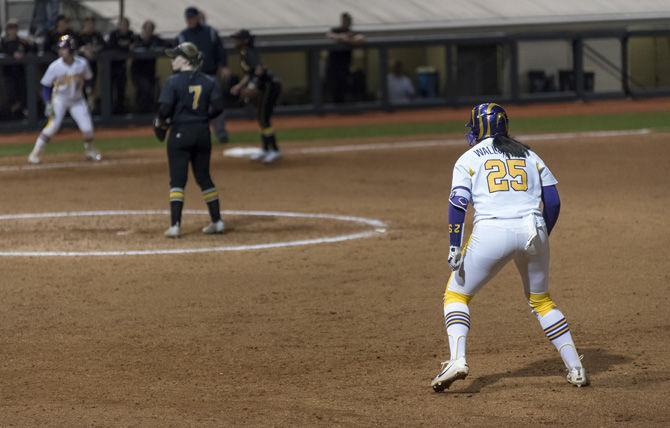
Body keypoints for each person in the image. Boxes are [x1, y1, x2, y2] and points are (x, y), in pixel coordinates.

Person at [431, 103, 588, 392]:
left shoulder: (468, 158)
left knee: (456, 294)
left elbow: (458, 203)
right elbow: (553, 202)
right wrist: (543, 236)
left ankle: (457, 360)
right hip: (533, 228)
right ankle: (575, 368)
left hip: (492, 231)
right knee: (542, 302)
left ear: (477, 129)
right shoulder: (529, 154)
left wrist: (455, 244)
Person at [154, 42, 224, 238]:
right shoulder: (210, 81)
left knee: (177, 180)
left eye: (175, 56)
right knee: (204, 177)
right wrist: (202, 117)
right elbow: (218, 108)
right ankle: (217, 221)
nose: (172, 60)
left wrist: (162, 121)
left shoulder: (173, 81)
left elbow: (165, 109)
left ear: (185, 59)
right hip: (202, 132)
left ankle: (175, 226)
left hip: (180, 133)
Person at [28, 35, 102, 164]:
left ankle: (89, 150)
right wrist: (48, 103)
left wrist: (90, 94)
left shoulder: (82, 63)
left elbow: (89, 79)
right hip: (60, 100)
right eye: (60, 49)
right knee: (52, 127)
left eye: (64, 49)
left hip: (78, 100)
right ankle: (35, 153)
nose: (61, 51)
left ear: (71, 50)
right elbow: (45, 86)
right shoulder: (55, 66)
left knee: (88, 129)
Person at [177, 6, 229, 143]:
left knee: (216, 104)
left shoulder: (210, 32)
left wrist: (223, 66)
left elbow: (220, 50)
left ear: (198, 17)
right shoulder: (183, 35)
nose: (190, 21)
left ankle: (221, 132)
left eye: (192, 18)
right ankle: (198, 134)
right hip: (191, 76)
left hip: (210, 74)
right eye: (188, 18)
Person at [230, 29, 282, 164]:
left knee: (263, 117)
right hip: (265, 86)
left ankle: (274, 150)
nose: (235, 42)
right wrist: (240, 86)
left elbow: (259, 69)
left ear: (245, 41)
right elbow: (249, 74)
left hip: (270, 86)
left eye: (238, 39)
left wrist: (252, 86)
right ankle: (265, 149)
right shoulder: (244, 53)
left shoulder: (249, 52)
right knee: (261, 117)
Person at [325, 12, 365, 103]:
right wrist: (342, 38)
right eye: (344, 20)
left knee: (346, 93)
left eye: (347, 20)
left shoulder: (352, 33)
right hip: (333, 69)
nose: (345, 22)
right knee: (333, 94)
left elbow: (361, 39)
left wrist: (346, 40)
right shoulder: (336, 30)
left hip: (345, 69)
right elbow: (329, 35)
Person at [131, 20, 169, 113]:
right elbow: (130, 47)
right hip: (138, 72)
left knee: (151, 92)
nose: (148, 32)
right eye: (147, 29)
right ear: (143, 29)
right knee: (144, 90)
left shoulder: (155, 39)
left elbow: (168, 44)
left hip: (150, 72)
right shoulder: (136, 39)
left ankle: (147, 113)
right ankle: (140, 113)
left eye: (151, 30)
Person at [1, 19, 35, 119]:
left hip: (21, 73)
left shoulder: (22, 41)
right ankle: (12, 117)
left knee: (22, 95)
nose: (12, 30)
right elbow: (4, 51)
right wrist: (12, 54)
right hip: (8, 74)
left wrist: (31, 42)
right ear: (7, 30)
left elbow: (33, 50)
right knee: (11, 96)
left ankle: (22, 115)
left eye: (14, 28)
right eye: (10, 28)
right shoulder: (3, 42)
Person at [106, 17, 134, 114]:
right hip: (111, 67)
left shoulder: (131, 34)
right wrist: (126, 47)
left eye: (125, 25)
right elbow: (112, 46)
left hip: (122, 67)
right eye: (121, 25)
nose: (123, 27)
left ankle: (120, 110)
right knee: (109, 90)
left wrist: (126, 48)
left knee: (121, 89)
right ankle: (109, 111)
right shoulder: (113, 34)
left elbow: (135, 45)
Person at [77, 16, 105, 111]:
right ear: (84, 24)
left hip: (93, 67)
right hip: (79, 69)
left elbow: (104, 46)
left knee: (91, 88)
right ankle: (81, 109)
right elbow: (74, 48)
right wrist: (83, 50)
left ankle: (91, 109)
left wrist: (93, 49)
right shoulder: (79, 35)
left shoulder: (97, 35)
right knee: (81, 89)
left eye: (92, 24)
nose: (90, 26)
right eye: (88, 24)